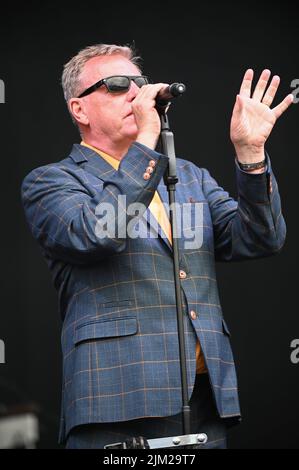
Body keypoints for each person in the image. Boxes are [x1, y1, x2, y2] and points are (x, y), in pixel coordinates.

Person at [21, 43, 293, 449]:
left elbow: (260, 238)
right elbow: (98, 232)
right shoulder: (51, 181)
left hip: (204, 398)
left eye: (140, 83)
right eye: (116, 85)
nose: (135, 93)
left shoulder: (189, 177)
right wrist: (146, 141)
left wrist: (250, 154)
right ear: (79, 110)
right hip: (118, 397)